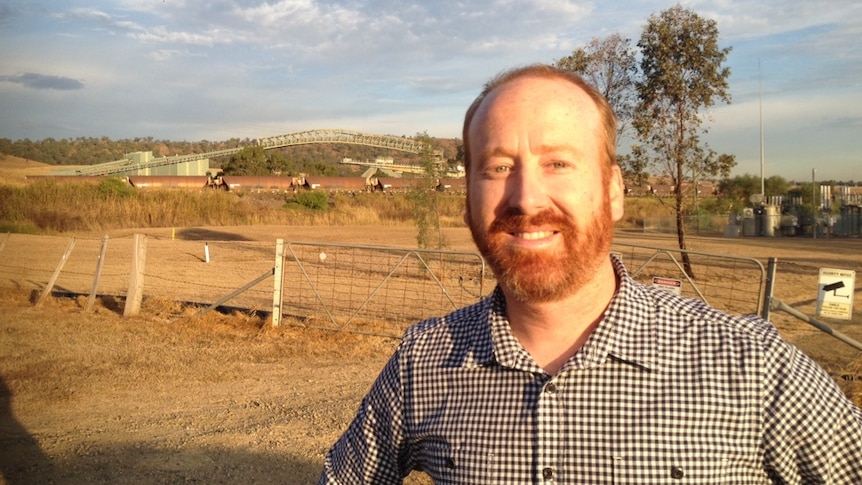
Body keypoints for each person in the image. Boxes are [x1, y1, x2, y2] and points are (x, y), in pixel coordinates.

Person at [318, 64, 862, 484]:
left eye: (558, 163)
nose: (526, 198)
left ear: (614, 190)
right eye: (499, 167)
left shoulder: (751, 366)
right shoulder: (423, 363)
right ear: (468, 198)